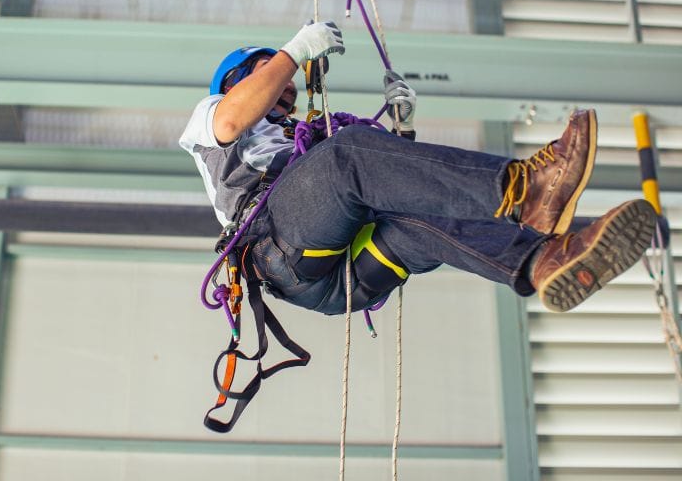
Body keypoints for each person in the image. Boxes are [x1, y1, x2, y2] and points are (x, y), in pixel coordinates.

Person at [179, 21, 657, 316]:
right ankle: (527, 189)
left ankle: (544, 261)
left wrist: (403, 131)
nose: (285, 87)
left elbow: (394, 182)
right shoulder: (211, 115)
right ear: (236, 80)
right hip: (278, 247)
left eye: (286, 82)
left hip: (339, 280)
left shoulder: (307, 140)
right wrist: (292, 53)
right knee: (347, 154)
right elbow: (234, 117)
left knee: (418, 221)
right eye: (267, 74)